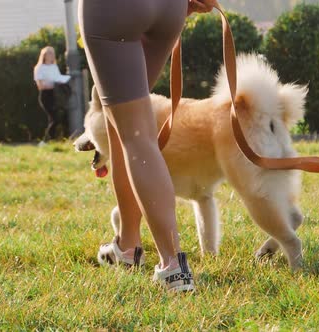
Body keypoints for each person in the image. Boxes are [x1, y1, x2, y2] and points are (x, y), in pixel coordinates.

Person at [78, 0, 214, 292]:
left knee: (136, 136)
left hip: (115, 10)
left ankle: (173, 267)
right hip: (169, 8)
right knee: (121, 126)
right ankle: (127, 246)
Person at [33, 46, 71, 142]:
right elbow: (40, 86)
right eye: (49, 53)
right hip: (45, 96)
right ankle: (46, 140)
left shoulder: (54, 66)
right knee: (54, 118)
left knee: (59, 117)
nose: (52, 56)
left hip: (55, 94)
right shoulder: (39, 68)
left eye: (52, 54)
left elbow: (57, 78)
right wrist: (51, 84)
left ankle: (53, 140)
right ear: (44, 55)